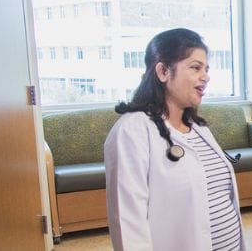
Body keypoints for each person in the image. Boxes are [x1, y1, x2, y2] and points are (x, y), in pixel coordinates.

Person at [104, 28, 244, 250]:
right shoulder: (133, 131)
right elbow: (128, 222)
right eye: (195, 67)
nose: (205, 76)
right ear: (163, 71)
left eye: (206, 69)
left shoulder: (198, 128)